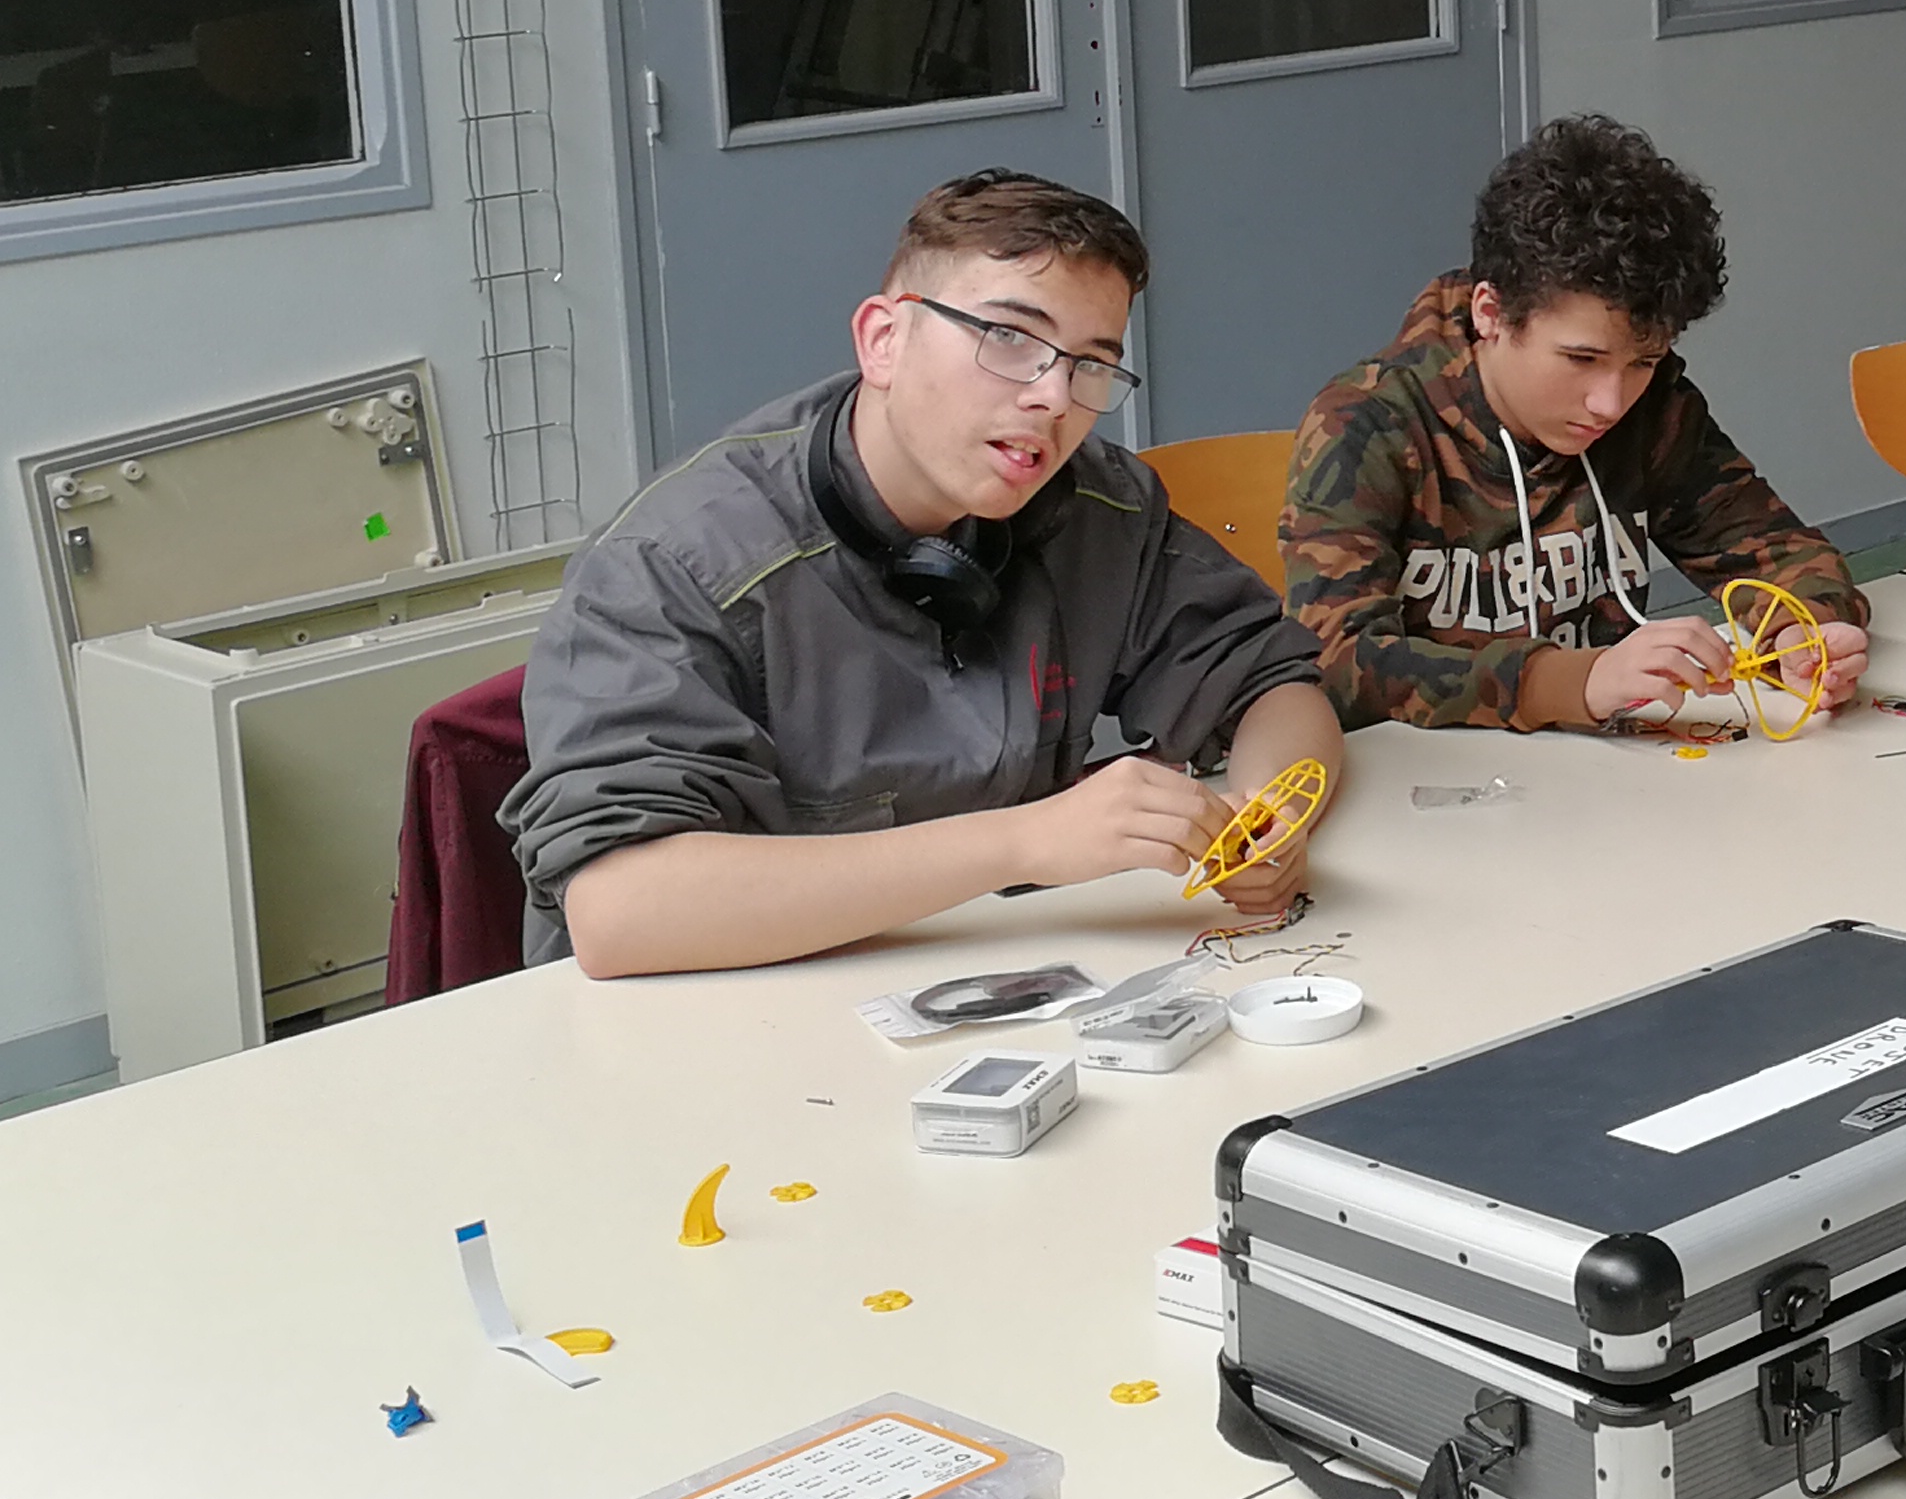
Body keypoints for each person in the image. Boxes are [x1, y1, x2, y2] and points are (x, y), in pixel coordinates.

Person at [506, 171, 1342, 978]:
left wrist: (1266, 821)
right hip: (716, 1018)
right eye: (1009, 339)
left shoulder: (1093, 506)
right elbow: (618, 909)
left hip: (997, 982)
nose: (1054, 398)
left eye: (1090, 364)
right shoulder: (673, 563)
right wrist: (1026, 842)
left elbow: (1270, 681)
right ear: (884, 340)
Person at [1284, 114, 1869, 734]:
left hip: (1604, 764)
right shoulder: (1367, 423)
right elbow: (1338, 662)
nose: (1610, 403)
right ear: (1491, 313)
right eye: (1581, 359)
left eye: (1643, 362)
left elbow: (1782, 552)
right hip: (1431, 773)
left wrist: (1803, 632)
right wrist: (1568, 683)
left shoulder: (1654, 409)